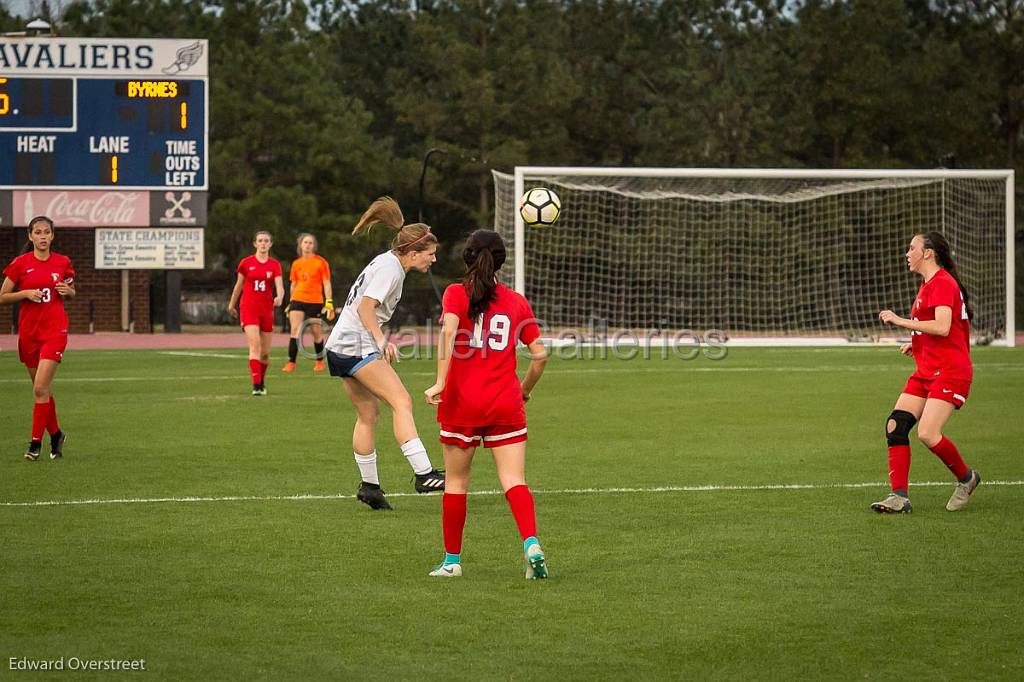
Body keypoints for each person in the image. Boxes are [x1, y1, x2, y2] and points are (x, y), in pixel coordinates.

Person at [424, 229, 549, 579]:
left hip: (462, 404)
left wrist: (441, 382)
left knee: (456, 483)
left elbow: (448, 332)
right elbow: (540, 357)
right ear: (501, 261)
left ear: (466, 257)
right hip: (504, 404)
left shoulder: (454, 293)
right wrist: (523, 389)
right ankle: (531, 543)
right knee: (513, 479)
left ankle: (452, 562)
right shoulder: (516, 302)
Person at [324, 197, 445, 510]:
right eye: (430, 254)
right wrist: (380, 340)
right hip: (356, 345)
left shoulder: (388, 262)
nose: (433, 260)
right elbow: (366, 306)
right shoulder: (391, 268)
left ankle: (369, 487)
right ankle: (424, 474)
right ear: (413, 252)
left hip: (339, 346)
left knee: (368, 414)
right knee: (401, 401)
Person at [873, 231, 980, 513]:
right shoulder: (927, 285)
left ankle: (967, 479)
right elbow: (939, 329)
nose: (907, 253)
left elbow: (944, 326)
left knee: (928, 434)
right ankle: (899, 497)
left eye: (912, 248)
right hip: (927, 369)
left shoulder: (943, 283)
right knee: (896, 425)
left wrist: (901, 321)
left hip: (950, 371)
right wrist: (917, 342)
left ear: (928, 253)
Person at [0, 216, 75, 461]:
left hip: (55, 332)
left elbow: (70, 292)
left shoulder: (63, 262)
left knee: (41, 388)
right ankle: (56, 434)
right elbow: (2, 296)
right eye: (38, 232)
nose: (43, 237)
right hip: (29, 334)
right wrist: (24, 293)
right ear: (30, 236)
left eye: (47, 232)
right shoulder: (20, 264)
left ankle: (35, 444)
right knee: (41, 390)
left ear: (52, 236)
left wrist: (69, 291)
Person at [228, 230, 283, 396]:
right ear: (255, 243)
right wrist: (232, 304)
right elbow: (239, 285)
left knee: (265, 353)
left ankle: (262, 381)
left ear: (270, 244)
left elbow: (279, 285)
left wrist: (280, 296)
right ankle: (256, 386)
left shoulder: (274, 265)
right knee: (255, 345)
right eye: (260, 240)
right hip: (249, 308)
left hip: (266, 309)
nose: (263, 243)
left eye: (266, 240)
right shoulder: (246, 263)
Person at [282, 233, 334, 373]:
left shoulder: (321, 262)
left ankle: (319, 361)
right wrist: (290, 302)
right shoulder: (296, 263)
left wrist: (329, 303)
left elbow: (326, 284)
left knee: (315, 331)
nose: (308, 245)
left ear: (314, 245)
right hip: (298, 299)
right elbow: (293, 284)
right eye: (305, 242)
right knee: (294, 330)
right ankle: (291, 363)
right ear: (300, 245)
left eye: (310, 242)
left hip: (315, 301)